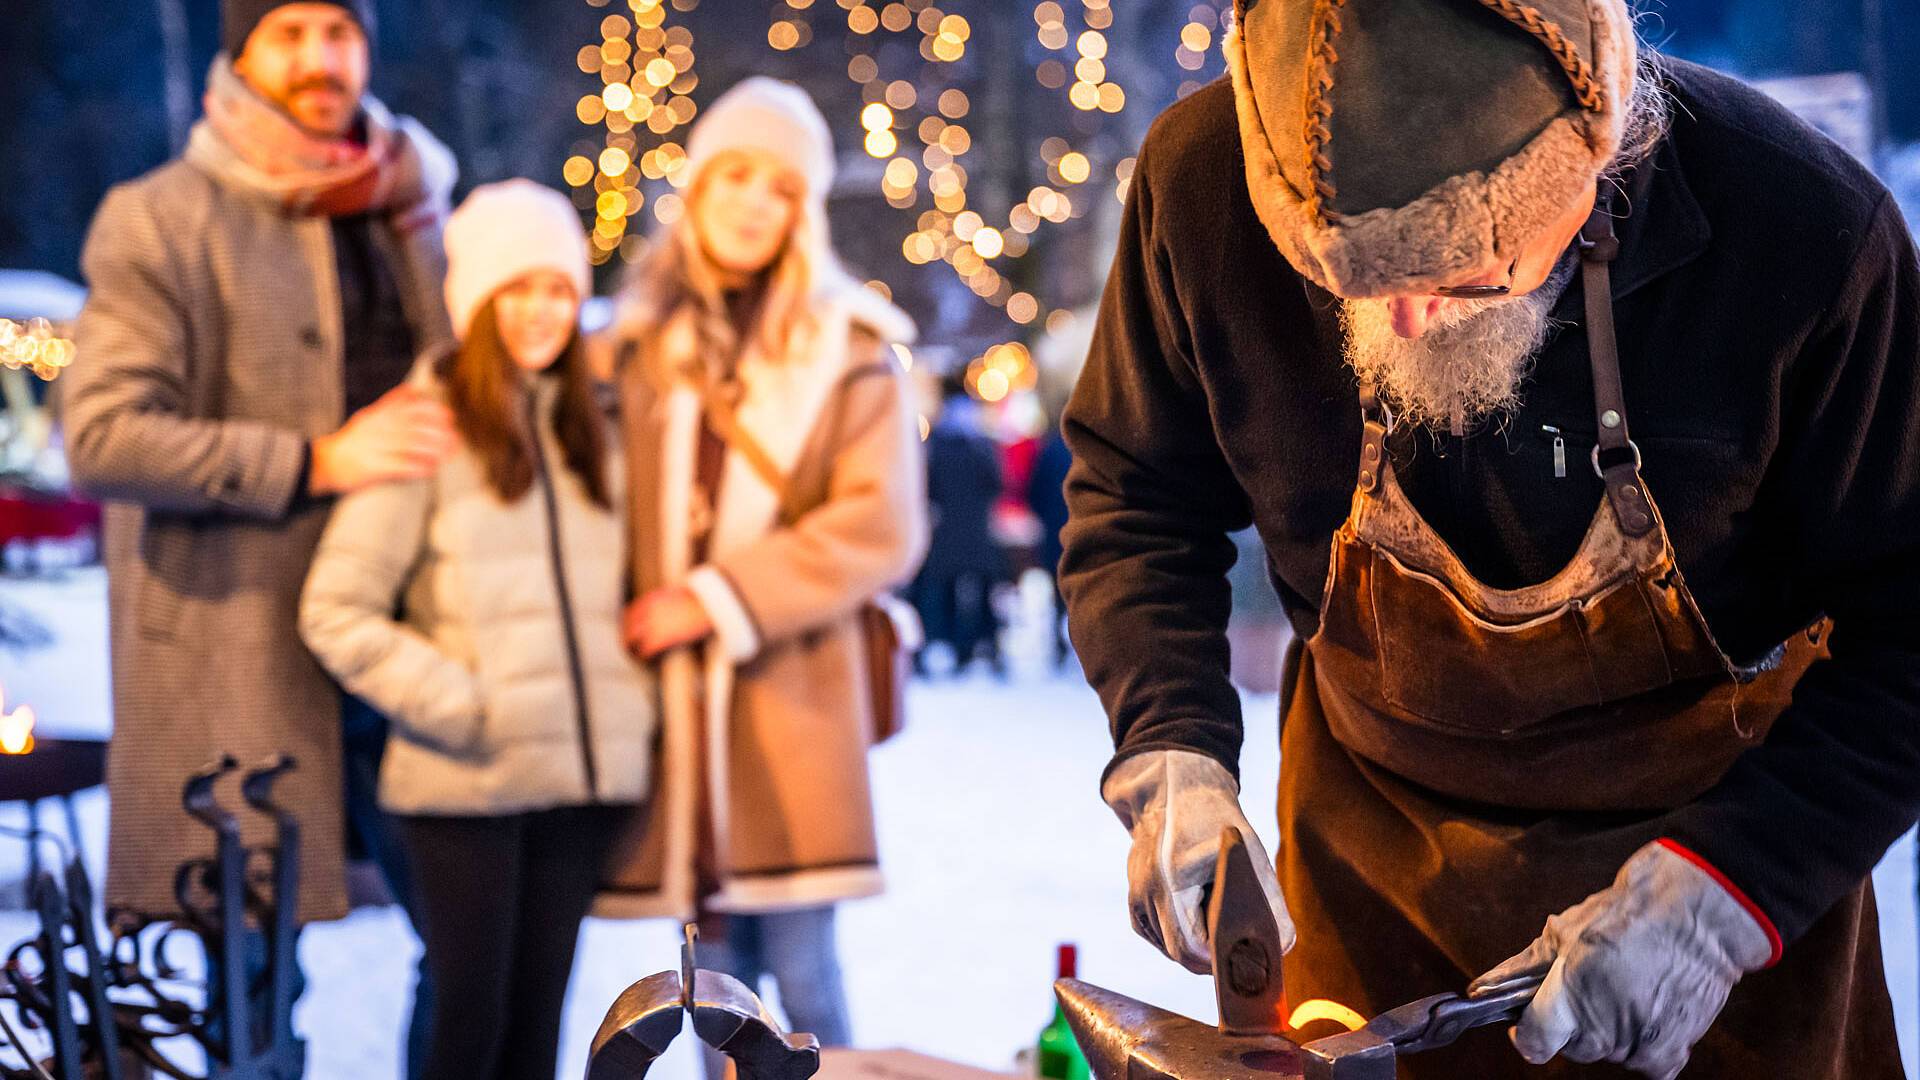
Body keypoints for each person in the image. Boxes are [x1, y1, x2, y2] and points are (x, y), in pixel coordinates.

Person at [1060, 0, 1920, 1077]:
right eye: (1351, 281)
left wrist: (1732, 889)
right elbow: (1135, 493)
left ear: (1597, 153)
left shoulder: (1800, 231)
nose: (1408, 321)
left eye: (1463, 270)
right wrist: (1170, 747)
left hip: (1720, 883)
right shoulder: (1199, 183)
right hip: (1367, 871)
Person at [63, 0, 455, 1065]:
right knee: (252, 1000)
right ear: (240, 55)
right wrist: (318, 458)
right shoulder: (160, 216)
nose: (318, 57)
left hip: (409, 644)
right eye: (287, 32)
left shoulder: (417, 202)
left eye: (338, 30)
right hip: (241, 660)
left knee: (470, 948)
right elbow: (98, 435)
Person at [599, 77, 926, 1064]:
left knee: (805, 972)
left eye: (780, 187)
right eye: (734, 175)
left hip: (789, 704)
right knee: (700, 984)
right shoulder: (630, 350)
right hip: (670, 710)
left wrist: (713, 599)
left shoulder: (849, 350)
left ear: (805, 210)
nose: (752, 202)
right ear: (695, 188)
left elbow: (880, 524)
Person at [299, 179, 656, 1080]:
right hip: (464, 784)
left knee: (540, 1015)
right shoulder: (428, 428)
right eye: (517, 288)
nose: (540, 311)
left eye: (559, 288)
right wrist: (463, 706)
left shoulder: (594, 434)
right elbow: (334, 610)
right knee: (469, 1011)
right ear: (475, 300)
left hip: (578, 786)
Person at [910, 374, 1006, 676]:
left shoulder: (937, 443)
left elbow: (928, 487)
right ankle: (977, 644)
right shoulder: (979, 442)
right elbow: (995, 482)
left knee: (947, 589)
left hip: (947, 531)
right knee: (978, 589)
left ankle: (952, 643)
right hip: (976, 530)